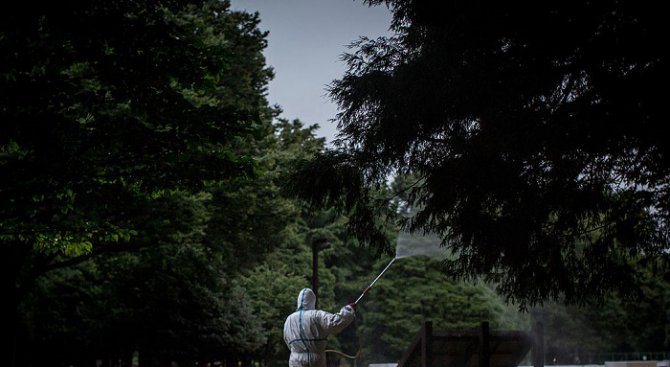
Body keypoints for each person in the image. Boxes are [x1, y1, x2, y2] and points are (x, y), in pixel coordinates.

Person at [283, 288, 356, 367]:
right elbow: (335, 323)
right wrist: (348, 310)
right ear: (312, 300)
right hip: (315, 359)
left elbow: (286, 339)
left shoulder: (289, 319)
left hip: (295, 359)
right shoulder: (316, 315)